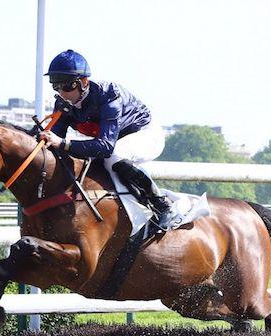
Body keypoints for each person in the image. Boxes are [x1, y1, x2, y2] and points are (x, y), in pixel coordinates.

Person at [39, 49, 172, 229]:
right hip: (112, 140)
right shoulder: (64, 104)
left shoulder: (109, 94)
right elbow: (54, 143)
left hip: (145, 134)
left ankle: (162, 205)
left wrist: (62, 143)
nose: (62, 92)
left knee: (114, 156)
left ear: (84, 82)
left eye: (67, 86)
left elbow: (105, 147)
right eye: (56, 86)